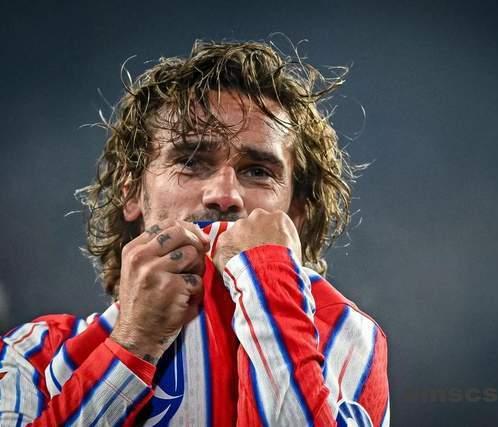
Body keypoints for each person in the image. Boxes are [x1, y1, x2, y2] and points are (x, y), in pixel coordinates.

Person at [0, 39, 389, 426]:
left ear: (297, 212)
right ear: (131, 192)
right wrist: (133, 343)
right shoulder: (31, 352)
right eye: (190, 161)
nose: (224, 195)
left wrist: (271, 279)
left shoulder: (347, 335)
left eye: (258, 171)